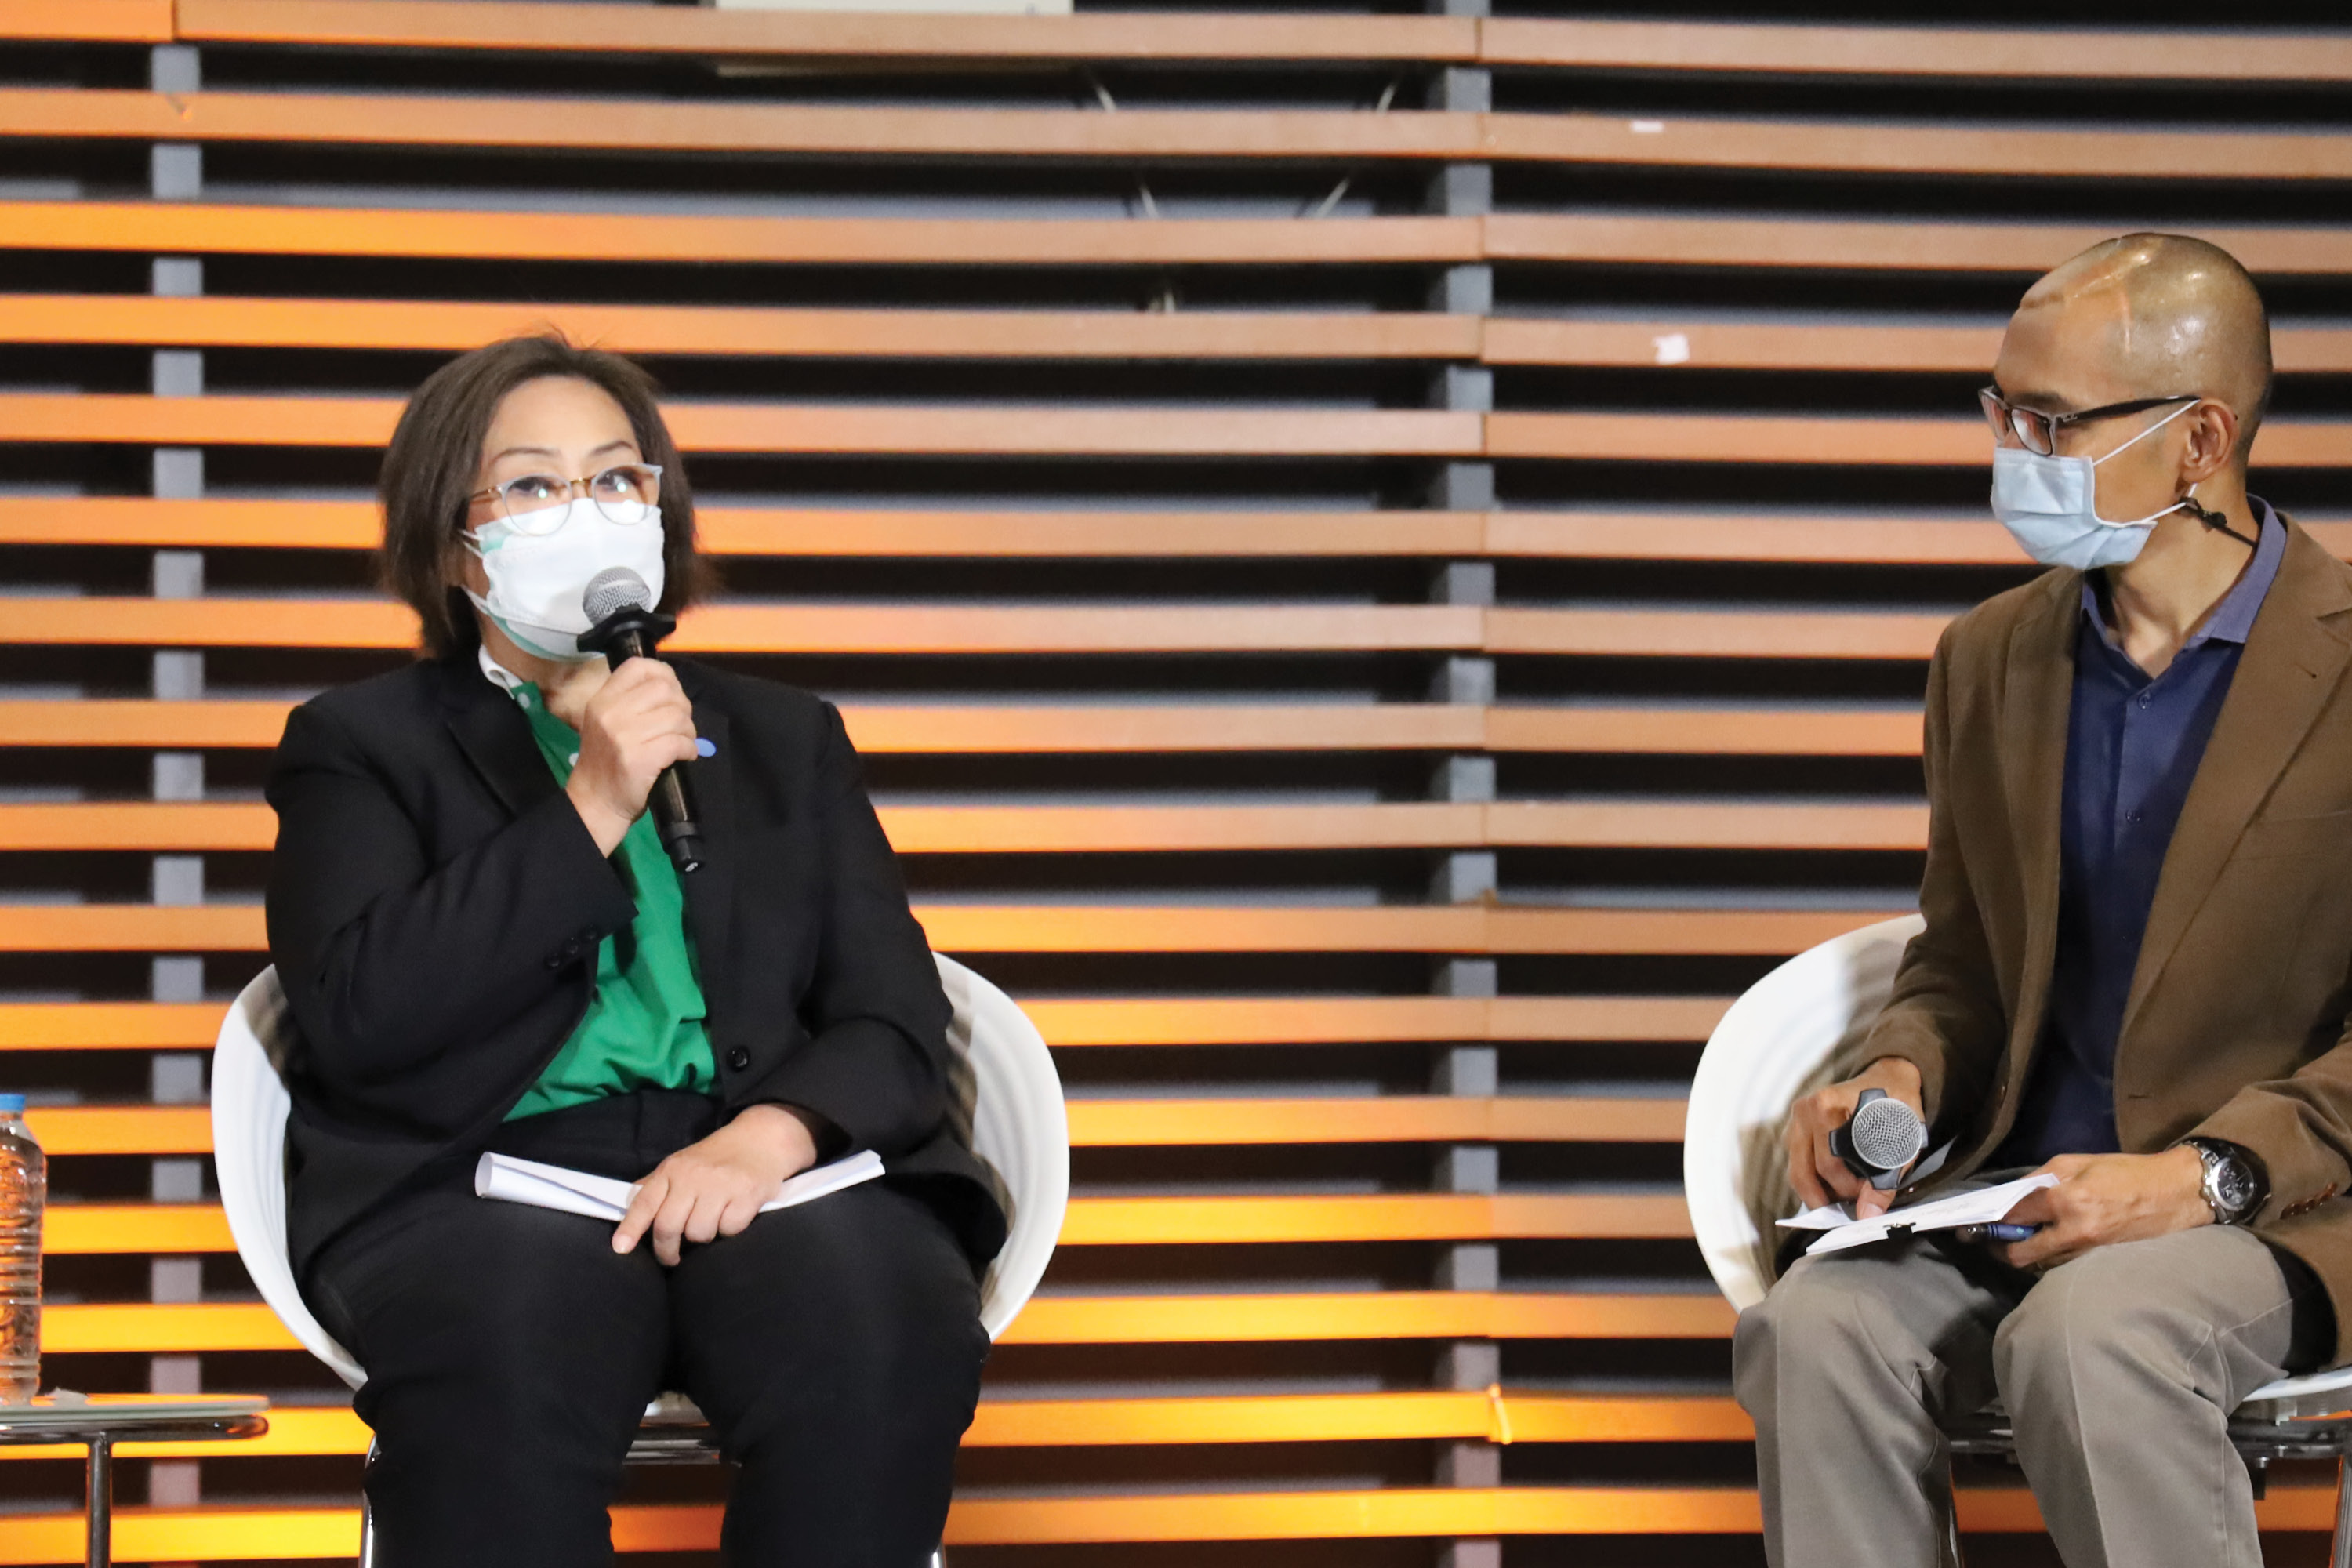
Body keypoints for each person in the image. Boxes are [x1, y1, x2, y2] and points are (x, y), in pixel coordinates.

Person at [264, 336, 1005, 1567]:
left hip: (753, 1167)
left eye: (616, 477)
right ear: (451, 545)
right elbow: (357, 1013)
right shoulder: (360, 746)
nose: (588, 510)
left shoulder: (783, 737)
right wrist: (593, 803)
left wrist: (773, 1137)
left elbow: (893, 1017)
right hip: (486, 1182)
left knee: (881, 1322)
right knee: (501, 1347)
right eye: (533, 484)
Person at [1734, 233, 2352, 1568]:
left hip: (2292, 1209)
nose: (2014, 451)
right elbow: (1960, 962)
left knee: (2093, 1335)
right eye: (2001, 410)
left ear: (2200, 443)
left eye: (2053, 423)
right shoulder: (1988, 658)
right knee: (1813, 1329)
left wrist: (2201, 1178)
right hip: (2022, 1197)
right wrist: (1897, 1078)